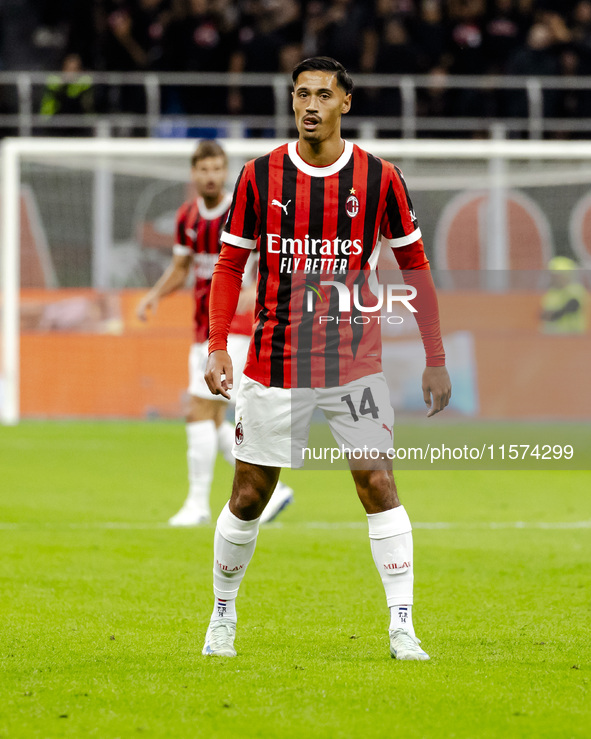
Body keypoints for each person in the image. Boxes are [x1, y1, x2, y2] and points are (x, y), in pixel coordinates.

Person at [202, 57, 451, 661]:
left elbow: (414, 267)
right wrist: (217, 346)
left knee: (378, 483)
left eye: (322, 95)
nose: (309, 105)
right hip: (274, 362)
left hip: (353, 363)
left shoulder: (379, 178)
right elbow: (230, 264)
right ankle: (223, 615)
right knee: (248, 496)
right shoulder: (259, 178)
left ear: (346, 103)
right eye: (300, 95)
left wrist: (434, 356)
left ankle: (402, 625)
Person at [136, 140, 294, 526]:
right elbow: (181, 268)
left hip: (237, 329)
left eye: (217, 169)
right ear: (194, 174)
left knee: (199, 410)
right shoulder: (187, 217)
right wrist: (154, 296)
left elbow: (270, 259)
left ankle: (197, 504)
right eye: (203, 169)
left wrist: (255, 290)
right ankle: (273, 493)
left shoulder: (241, 211)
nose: (210, 176)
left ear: (226, 172)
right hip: (201, 330)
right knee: (212, 418)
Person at [540, 256, 588, 334]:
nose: (552, 277)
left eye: (556, 275)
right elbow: (543, 313)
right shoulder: (552, 292)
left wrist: (553, 315)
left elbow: (572, 306)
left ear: (566, 274)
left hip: (571, 337)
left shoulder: (575, 289)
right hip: (551, 338)